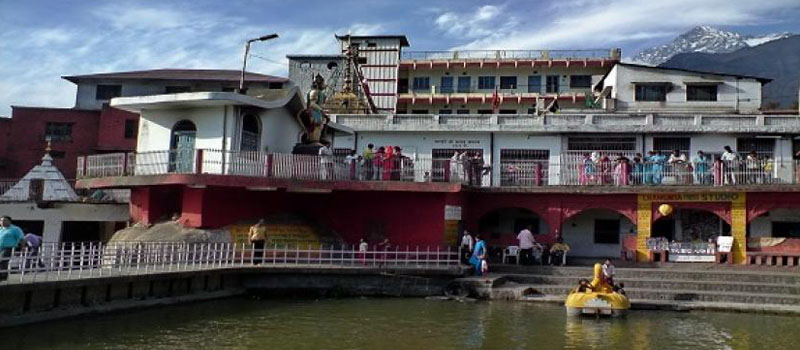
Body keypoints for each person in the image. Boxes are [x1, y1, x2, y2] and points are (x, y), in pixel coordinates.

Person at [0, 216, 25, 281]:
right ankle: (3, 275)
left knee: (2, 260)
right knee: (3, 262)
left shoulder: (15, 229)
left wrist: (23, 247)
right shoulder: (1, 229)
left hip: (8, 247)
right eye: (1, 220)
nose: (2, 222)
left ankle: (2, 276)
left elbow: (22, 239)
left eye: (4, 220)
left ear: (9, 221)